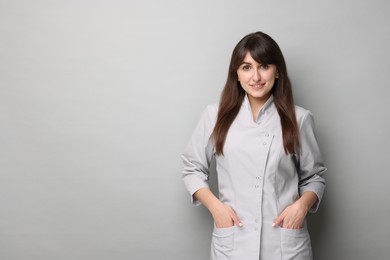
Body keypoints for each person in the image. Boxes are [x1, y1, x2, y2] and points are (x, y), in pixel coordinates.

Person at [181, 31, 326, 260]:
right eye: (246, 67)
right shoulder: (214, 116)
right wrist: (216, 208)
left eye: (264, 66)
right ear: (236, 74)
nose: (256, 76)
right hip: (233, 242)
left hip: (284, 244)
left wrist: (301, 207)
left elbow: (314, 177)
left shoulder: (300, 119)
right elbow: (192, 169)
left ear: (277, 71)